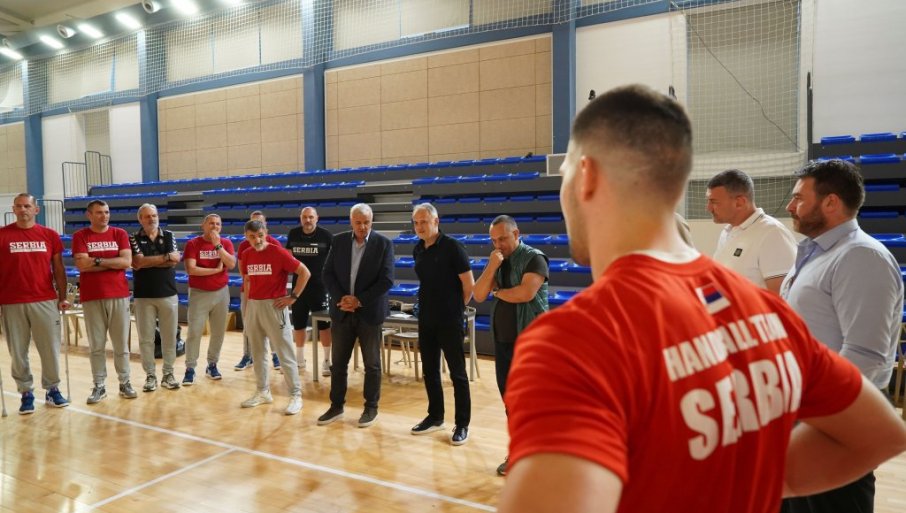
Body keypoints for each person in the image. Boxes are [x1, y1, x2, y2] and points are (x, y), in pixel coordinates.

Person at [496, 84, 906, 513]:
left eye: (564, 175)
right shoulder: (768, 311)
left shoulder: (576, 340)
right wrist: (752, 481)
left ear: (588, 175)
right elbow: (879, 435)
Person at [779, 158, 905, 513]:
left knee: (834, 504)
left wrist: (819, 415)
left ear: (831, 202)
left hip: (834, 415)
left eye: (799, 198)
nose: (790, 206)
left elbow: (865, 356)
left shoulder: (861, 256)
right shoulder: (815, 253)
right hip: (805, 405)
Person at [473, 214, 549, 474]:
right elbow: (478, 294)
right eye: (493, 240)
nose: (498, 245)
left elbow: (525, 293)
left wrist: (497, 292)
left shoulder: (534, 258)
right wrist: (491, 267)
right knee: (510, 400)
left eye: (503, 239)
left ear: (517, 234)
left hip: (531, 341)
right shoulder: (499, 260)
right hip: (503, 341)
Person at [317, 203, 394, 428]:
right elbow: (327, 273)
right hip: (342, 311)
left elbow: (387, 280)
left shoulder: (384, 244)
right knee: (339, 364)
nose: (362, 227)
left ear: (372, 221)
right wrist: (343, 298)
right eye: (358, 222)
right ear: (351, 221)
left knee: (372, 364)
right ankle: (336, 406)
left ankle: (371, 408)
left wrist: (358, 300)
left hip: (369, 312)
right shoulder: (339, 241)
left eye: (366, 222)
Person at [409, 203, 474, 445]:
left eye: (424, 222)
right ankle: (435, 416)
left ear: (436, 221)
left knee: (457, 373)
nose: (419, 227)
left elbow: (469, 286)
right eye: (416, 223)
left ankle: (462, 424)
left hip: (450, 320)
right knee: (429, 370)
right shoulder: (417, 249)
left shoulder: (453, 247)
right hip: (426, 319)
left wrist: (453, 309)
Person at [0, 193, 70, 413]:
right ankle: (26, 392)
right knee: (18, 351)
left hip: (45, 300)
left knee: (50, 348)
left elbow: (58, 268)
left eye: (27, 206)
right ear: (13, 209)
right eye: (19, 206)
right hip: (11, 301)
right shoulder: (2, 235)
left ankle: (52, 389)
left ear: (36, 210)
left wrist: (63, 296)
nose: (23, 210)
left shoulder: (49, 235)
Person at [238, 219, 309, 415]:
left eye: (260, 235)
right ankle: (263, 392)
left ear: (266, 232)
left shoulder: (279, 252)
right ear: (246, 237)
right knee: (258, 352)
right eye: (252, 237)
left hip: (275, 307)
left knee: (284, 352)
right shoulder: (247, 254)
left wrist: (293, 297)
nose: (257, 240)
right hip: (254, 306)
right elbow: (248, 281)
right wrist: (247, 309)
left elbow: (304, 272)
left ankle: (296, 395)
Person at [71, 199, 136, 404]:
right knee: (96, 345)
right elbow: (82, 265)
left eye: (107, 212)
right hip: (92, 296)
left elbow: (126, 262)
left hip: (118, 295)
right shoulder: (80, 236)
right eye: (99, 212)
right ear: (89, 215)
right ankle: (99, 385)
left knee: (121, 344)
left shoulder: (119, 234)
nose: (104, 216)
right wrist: (111, 262)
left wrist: (97, 260)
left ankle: (125, 382)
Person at [707, 169, 797, 293]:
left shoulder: (772, 233)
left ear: (740, 202)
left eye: (714, 202)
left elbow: (781, 296)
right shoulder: (727, 232)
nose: (709, 208)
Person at [130, 204, 181, 392]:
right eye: (147, 216)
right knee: (146, 339)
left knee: (169, 337)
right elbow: (137, 262)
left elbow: (175, 259)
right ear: (140, 219)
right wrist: (165, 258)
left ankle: (168, 374)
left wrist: (148, 261)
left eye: (154, 215)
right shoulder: (133, 238)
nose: (152, 219)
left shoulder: (169, 235)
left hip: (168, 293)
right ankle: (150, 376)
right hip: (143, 295)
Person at [182, 213, 236, 385]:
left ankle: (212, 364)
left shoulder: (225, 243)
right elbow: (191, 269)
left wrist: (217, 245)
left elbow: (231, 264)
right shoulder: (193, 244)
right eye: (211, 223)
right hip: (199, 293)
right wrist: (215, 271)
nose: (215, 227)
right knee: (194, 332)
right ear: (203, 226)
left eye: (218, 224)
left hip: (221, 292)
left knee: (218, 332)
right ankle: (190, 368)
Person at [285, 206, 333, 376]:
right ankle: (299, 360)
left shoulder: (326, 236)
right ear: (301, 218)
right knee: (299, 324)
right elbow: (288, 258)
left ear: (317, 218)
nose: (308, 220)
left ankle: (327, 361)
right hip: (299, 288)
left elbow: (333, 261)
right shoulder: (293, 234)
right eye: (305, 217)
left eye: (311, 217)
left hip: (320, 288)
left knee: (324, 326)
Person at [234, 210, 281, 371]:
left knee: (273, 325)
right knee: (248, 324)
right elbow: (243, 271)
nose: (255, 226)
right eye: (252, 223)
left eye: (259, 222)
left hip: (269, 293)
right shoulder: (244, 246)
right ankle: (248, 355)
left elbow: (279, 270)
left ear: (265, 225)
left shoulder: (274, 243)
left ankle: (276, 355)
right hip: (249, 292)